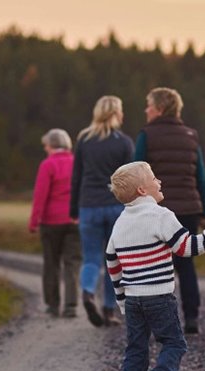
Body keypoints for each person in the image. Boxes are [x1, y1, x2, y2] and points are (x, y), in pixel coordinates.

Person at [105, 161, 205, 371]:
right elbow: (188, 248)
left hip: (134, 299)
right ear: (141, 190)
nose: (159, 181)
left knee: (135, 350)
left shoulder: (120, 222)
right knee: (174, 343)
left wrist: (121, 299)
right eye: (153, 178)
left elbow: (112, 262)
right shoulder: (162, 216)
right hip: (158, 295)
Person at [133, 87, 205, 334]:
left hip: (155, 211)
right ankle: (191, 318)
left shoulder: (147, 135)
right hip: (188, 208)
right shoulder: (191, 136)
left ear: (159, 108)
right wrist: (203, 211)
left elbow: (135, 174)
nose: (146, 110)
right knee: (186, 264)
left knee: (152, 264)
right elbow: (202, 177)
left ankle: (157, 320)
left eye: (148, 105)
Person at [71, 95, 134, 327]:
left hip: (88, 205)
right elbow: (130, 178)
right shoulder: (124, 142)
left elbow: (76, 177)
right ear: (116, 113)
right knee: (114, 260)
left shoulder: (84, 140)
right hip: (116, 206)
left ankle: (87, 292)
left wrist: (73, 210)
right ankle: (108, 309)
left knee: (91, 258)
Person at [29, 128, 82, 318]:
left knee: (51, 263)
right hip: (75, 219)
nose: (45, 149)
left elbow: (40, 195)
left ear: (51, 145)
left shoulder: (47, 165)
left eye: (45, 146)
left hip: (51, 222)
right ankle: (71, 305)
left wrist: (34, 221)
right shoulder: (77, 163)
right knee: (72, 263)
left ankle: (53, 304)